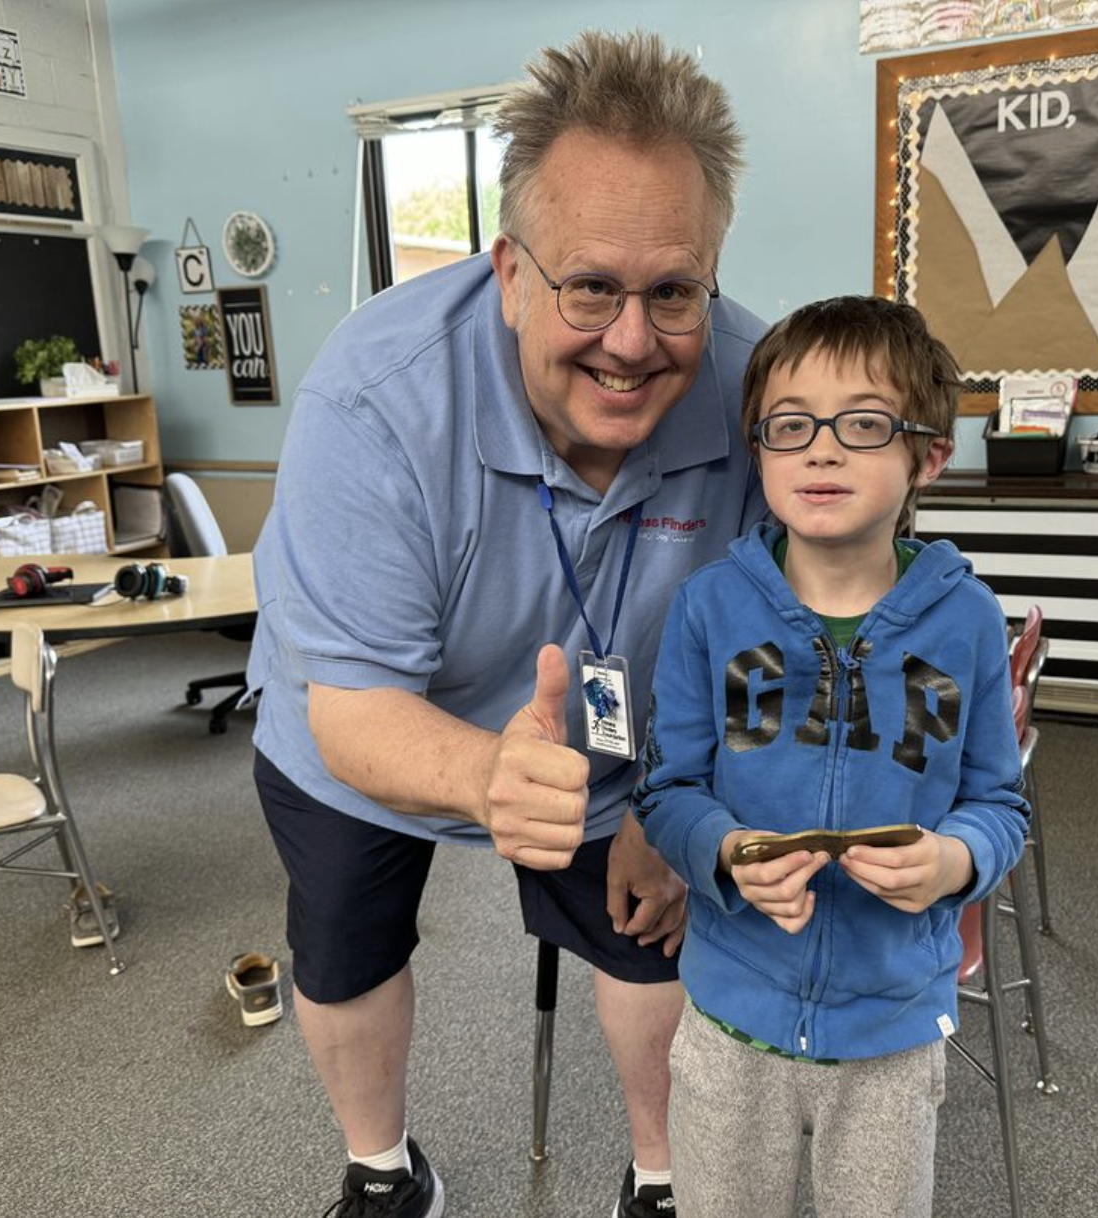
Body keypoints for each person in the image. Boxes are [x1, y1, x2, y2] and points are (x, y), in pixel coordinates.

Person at [245, 29, 766, 1218]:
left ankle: (663, 1176)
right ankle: (383, 1169)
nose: (631, 342)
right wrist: (489, 771)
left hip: (626, 732)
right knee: (344, 947)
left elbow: (775, 631)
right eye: (590, 286)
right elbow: (355, 705)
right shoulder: (375, 398)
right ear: (512, 272)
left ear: (708, 279)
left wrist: (682, 803)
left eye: (672, 292)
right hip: (371, 715)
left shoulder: (749, 390)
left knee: (658, 930)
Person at [633, 296, 1030, 1218]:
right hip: (734, 1016)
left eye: (862, 424)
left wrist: (954, 860)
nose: (821, 449)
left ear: (928, 454)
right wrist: (728, 856)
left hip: (891, 1029)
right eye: (790, 426)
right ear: (760, 449)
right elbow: (671, 790)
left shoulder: (965, 617)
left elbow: (1000, 804)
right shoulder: (708, 609)